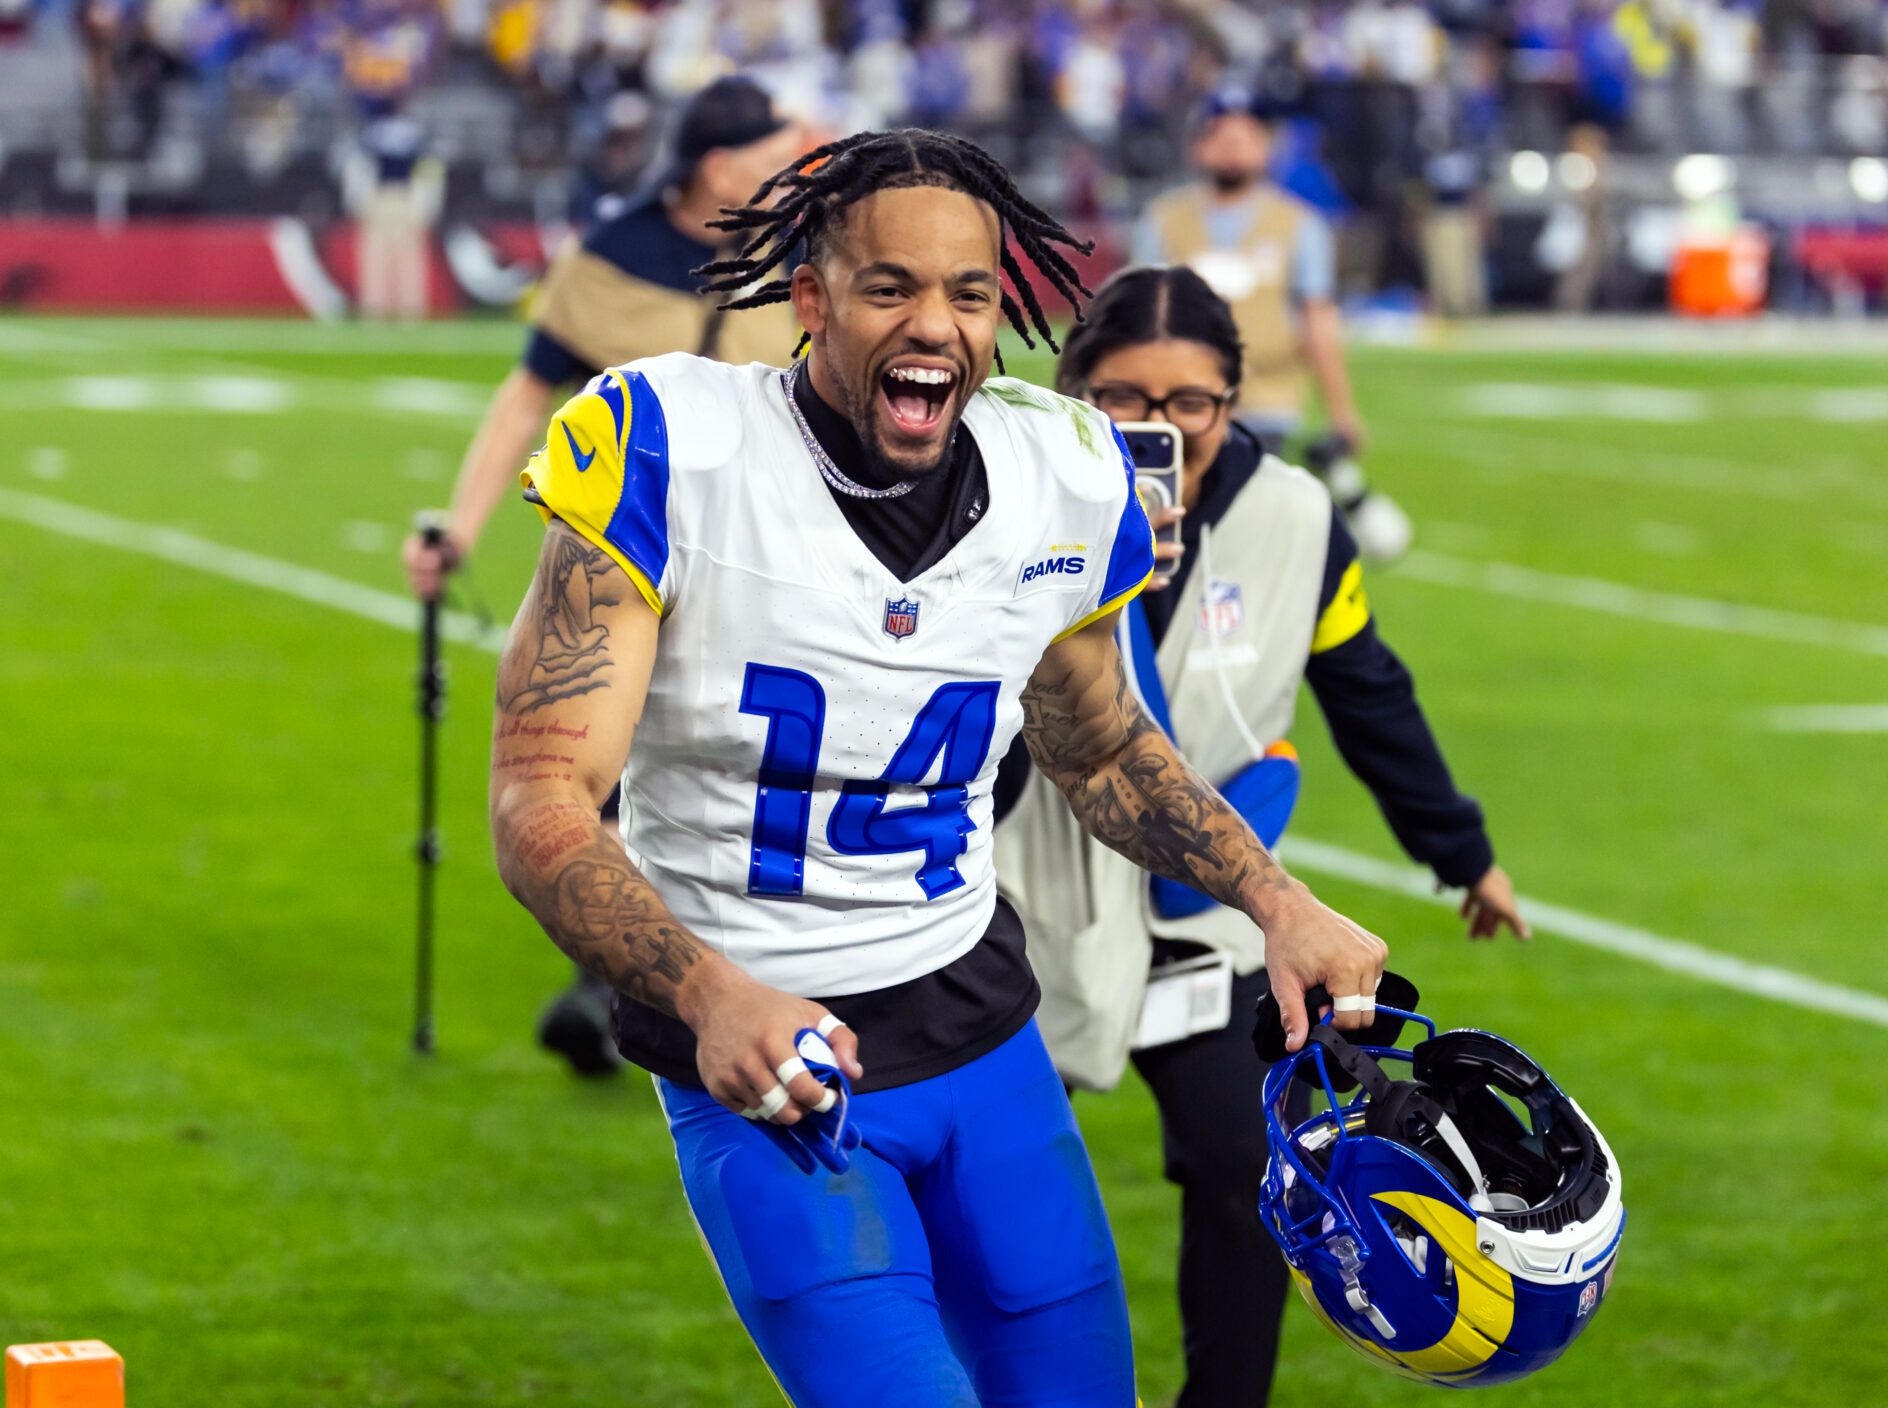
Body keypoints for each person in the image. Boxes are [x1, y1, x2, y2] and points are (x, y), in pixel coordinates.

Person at [487, 129, 1392, 1408]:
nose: (937, 325)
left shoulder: (1059, 473)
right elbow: (540, 799)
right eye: (889, 286)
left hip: (980, 1028)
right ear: (809, 299)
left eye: (969, 293)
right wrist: (707, 993)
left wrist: (1279, 903)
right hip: (775, 1069)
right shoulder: (667, 445)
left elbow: (1105, 748)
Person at [992, 265, 1527, 1408]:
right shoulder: (1002, 495)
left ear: (1236, 399)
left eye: (1193, 401)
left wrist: (1461, 849)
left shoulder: (1294, 515)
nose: (1159, 426)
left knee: (1249, 1174)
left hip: (1216, 922)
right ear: (1070, 383)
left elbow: (1364, 687)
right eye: (1122, 396)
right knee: (997, 1195)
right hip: (1028, 902)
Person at [404, 75, 807, 1075]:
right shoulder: (611, 258)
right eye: (776, 145)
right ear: (720, 165)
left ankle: (675, 980)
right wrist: (456, 528)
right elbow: (525, 396)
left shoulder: (805, 255)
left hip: (764, 562)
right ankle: (621, 981)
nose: (797, 156)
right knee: (601, 765)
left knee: (721, 768)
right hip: (620, 561)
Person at [1131, 85, 1411, 563]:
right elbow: (1134, 318)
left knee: (1255, 545)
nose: (1234, 148)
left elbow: (1317, 321)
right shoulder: (1163, 221)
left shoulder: (1299, 225)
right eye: (1222, 137)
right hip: (1176, 411)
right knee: (1174, 545)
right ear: (1199, 146)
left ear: (1266, 147)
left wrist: (1340, 409)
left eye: (1246, 138)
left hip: (1268, 405)